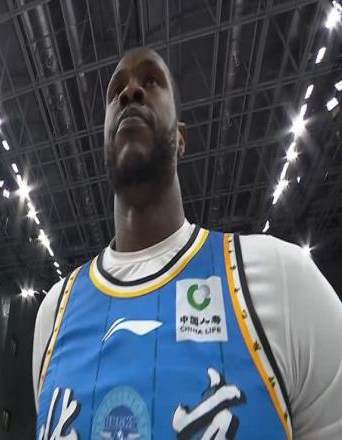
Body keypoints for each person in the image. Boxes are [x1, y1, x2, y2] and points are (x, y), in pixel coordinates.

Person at [32, 47, 342, 439]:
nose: (130, 92)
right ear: (105, 144)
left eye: (151, 81)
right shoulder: (54, 314)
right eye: (115, 91)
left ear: (180, 139)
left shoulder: (282, 279)